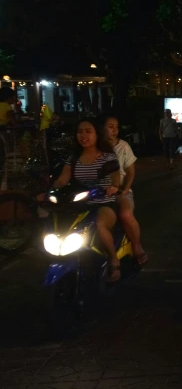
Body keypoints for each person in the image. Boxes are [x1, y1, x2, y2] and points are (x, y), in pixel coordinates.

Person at [50, 119, 122, 281]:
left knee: (100, 223)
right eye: (80, 131)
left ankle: (113, 259)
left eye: (88, 131)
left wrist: (114, 187)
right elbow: (62, 180)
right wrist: (48, 190)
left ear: (97, 134)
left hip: (104, 202)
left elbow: (115, 177)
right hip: (80, 203)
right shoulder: (73, 158)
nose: (83, 136)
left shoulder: (107, 157)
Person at [104, 116, 147, 266]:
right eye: (110, 126)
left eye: (116, 126)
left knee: (126, 214)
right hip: (100, 192)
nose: (115, 130)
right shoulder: (96, 148)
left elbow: (130, 172)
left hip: (121, 190)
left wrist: (124, 190)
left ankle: (137, 246)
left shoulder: (123, 147)